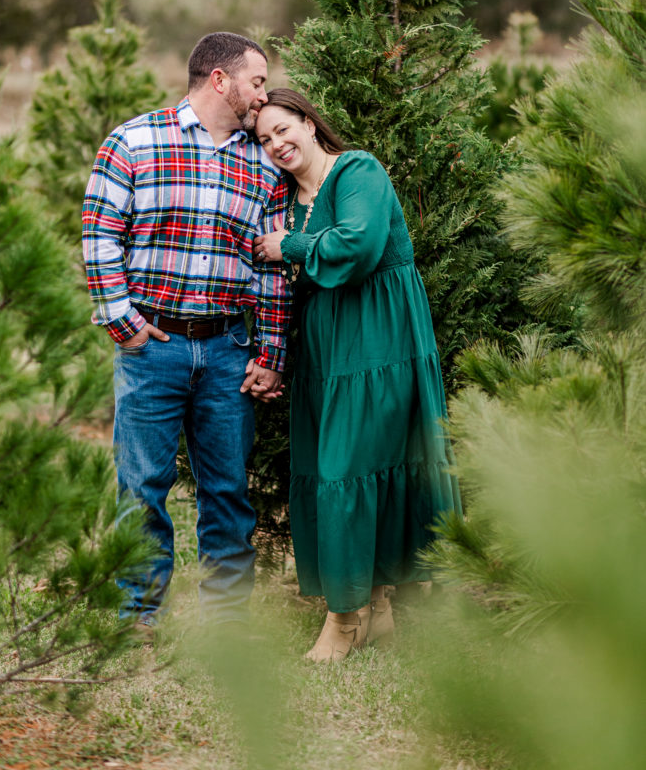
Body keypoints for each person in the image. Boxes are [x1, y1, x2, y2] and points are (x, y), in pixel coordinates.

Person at [82, 32, 291, 629]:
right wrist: (126, 324)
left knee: (227, 488)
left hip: (228, 348)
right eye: (256, 81)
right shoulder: (135, 140)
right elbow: (99, 234)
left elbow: (270, 267)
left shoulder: (262, 160)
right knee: (142, 485)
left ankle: (226, 624)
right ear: (220, 80)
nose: (263, 94)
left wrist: (270, 352)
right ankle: (136, 612)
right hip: (155, 346)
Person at [254, 88, 461, 662]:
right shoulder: (282, 198)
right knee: (333, 470)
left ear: (310, 122)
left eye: (283, 129)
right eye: (264, 140)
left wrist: (289, 246)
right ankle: (375, 610)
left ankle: (344, 621)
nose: (276, 144)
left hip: (380, 337)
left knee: (350, 469)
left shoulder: (357, 169)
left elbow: (360, 244)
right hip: (326, 349)